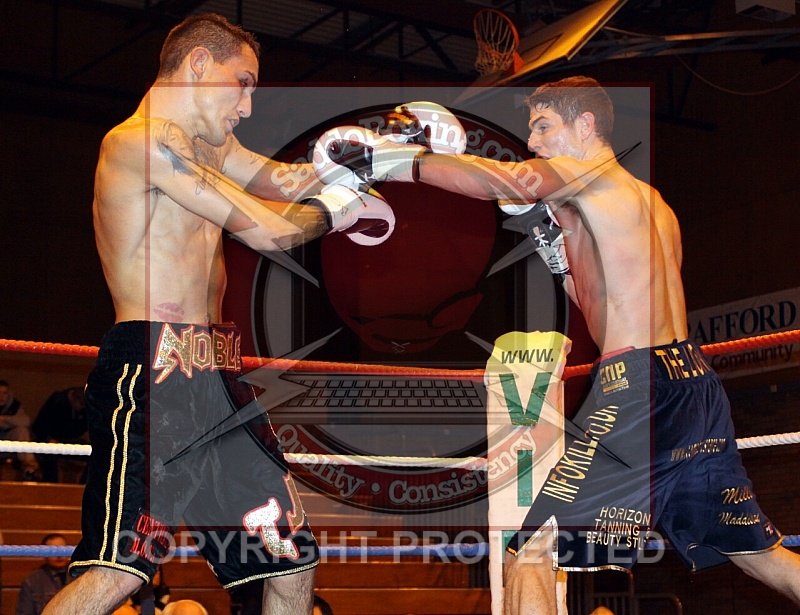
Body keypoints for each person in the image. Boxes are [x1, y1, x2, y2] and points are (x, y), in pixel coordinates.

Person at [313, 76, 800, 613]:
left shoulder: (583, 175)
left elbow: (507, 181)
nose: (533, 141)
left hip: (639, 389)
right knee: (756, 552)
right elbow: (604, 303)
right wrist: (556, 249)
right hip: (693, 385)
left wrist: (391, 160)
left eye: (544, 126)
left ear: (585, 125)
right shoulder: (653, 205)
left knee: (532, 552)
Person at [41, 12, 394, 615]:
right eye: (243, 83)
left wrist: (362, 162)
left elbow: (281, 180)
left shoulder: (212, 146)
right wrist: (336, 209)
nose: (247, 107)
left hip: (219, 376)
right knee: (120, 569)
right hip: (153, 370)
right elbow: (271, 230)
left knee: (291, 559)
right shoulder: (138, 144)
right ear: (199, 63)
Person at [32, 387, 89, 482]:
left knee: (94, 452)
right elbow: (39, 427)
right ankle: (51, 486)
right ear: (73, 398)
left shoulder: (85, 409)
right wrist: (49, 439)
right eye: (81, 404)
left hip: (70, 441)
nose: (82, 408)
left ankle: (84, 486)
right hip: (49, 440)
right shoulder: (56, 402)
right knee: (48, 455)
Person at [15, 534, 70, 615]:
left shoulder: (81, 576)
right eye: (53, 551)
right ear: (44, 554)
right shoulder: (31, 581)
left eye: (62, 550)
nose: (59, 555)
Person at [0, 380, 42, 481]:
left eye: (5, 393)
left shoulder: (14, 406)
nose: (1, 396)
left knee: (22, 430)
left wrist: (4, 419)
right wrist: (10, 422)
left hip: (8, 439)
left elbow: (25, 421)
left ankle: (30, 470)